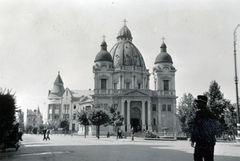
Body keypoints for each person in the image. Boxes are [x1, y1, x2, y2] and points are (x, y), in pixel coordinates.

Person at [191, 95, 218, 161]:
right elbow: (215, 128)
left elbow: (196, 127)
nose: (197, 104)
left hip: (201, 141)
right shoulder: (211, 114)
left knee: (198, 158)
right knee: (209, 159)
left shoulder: (199, 114)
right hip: (210, 141)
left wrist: (193, 139)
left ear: (203, 104)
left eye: (198, 102)